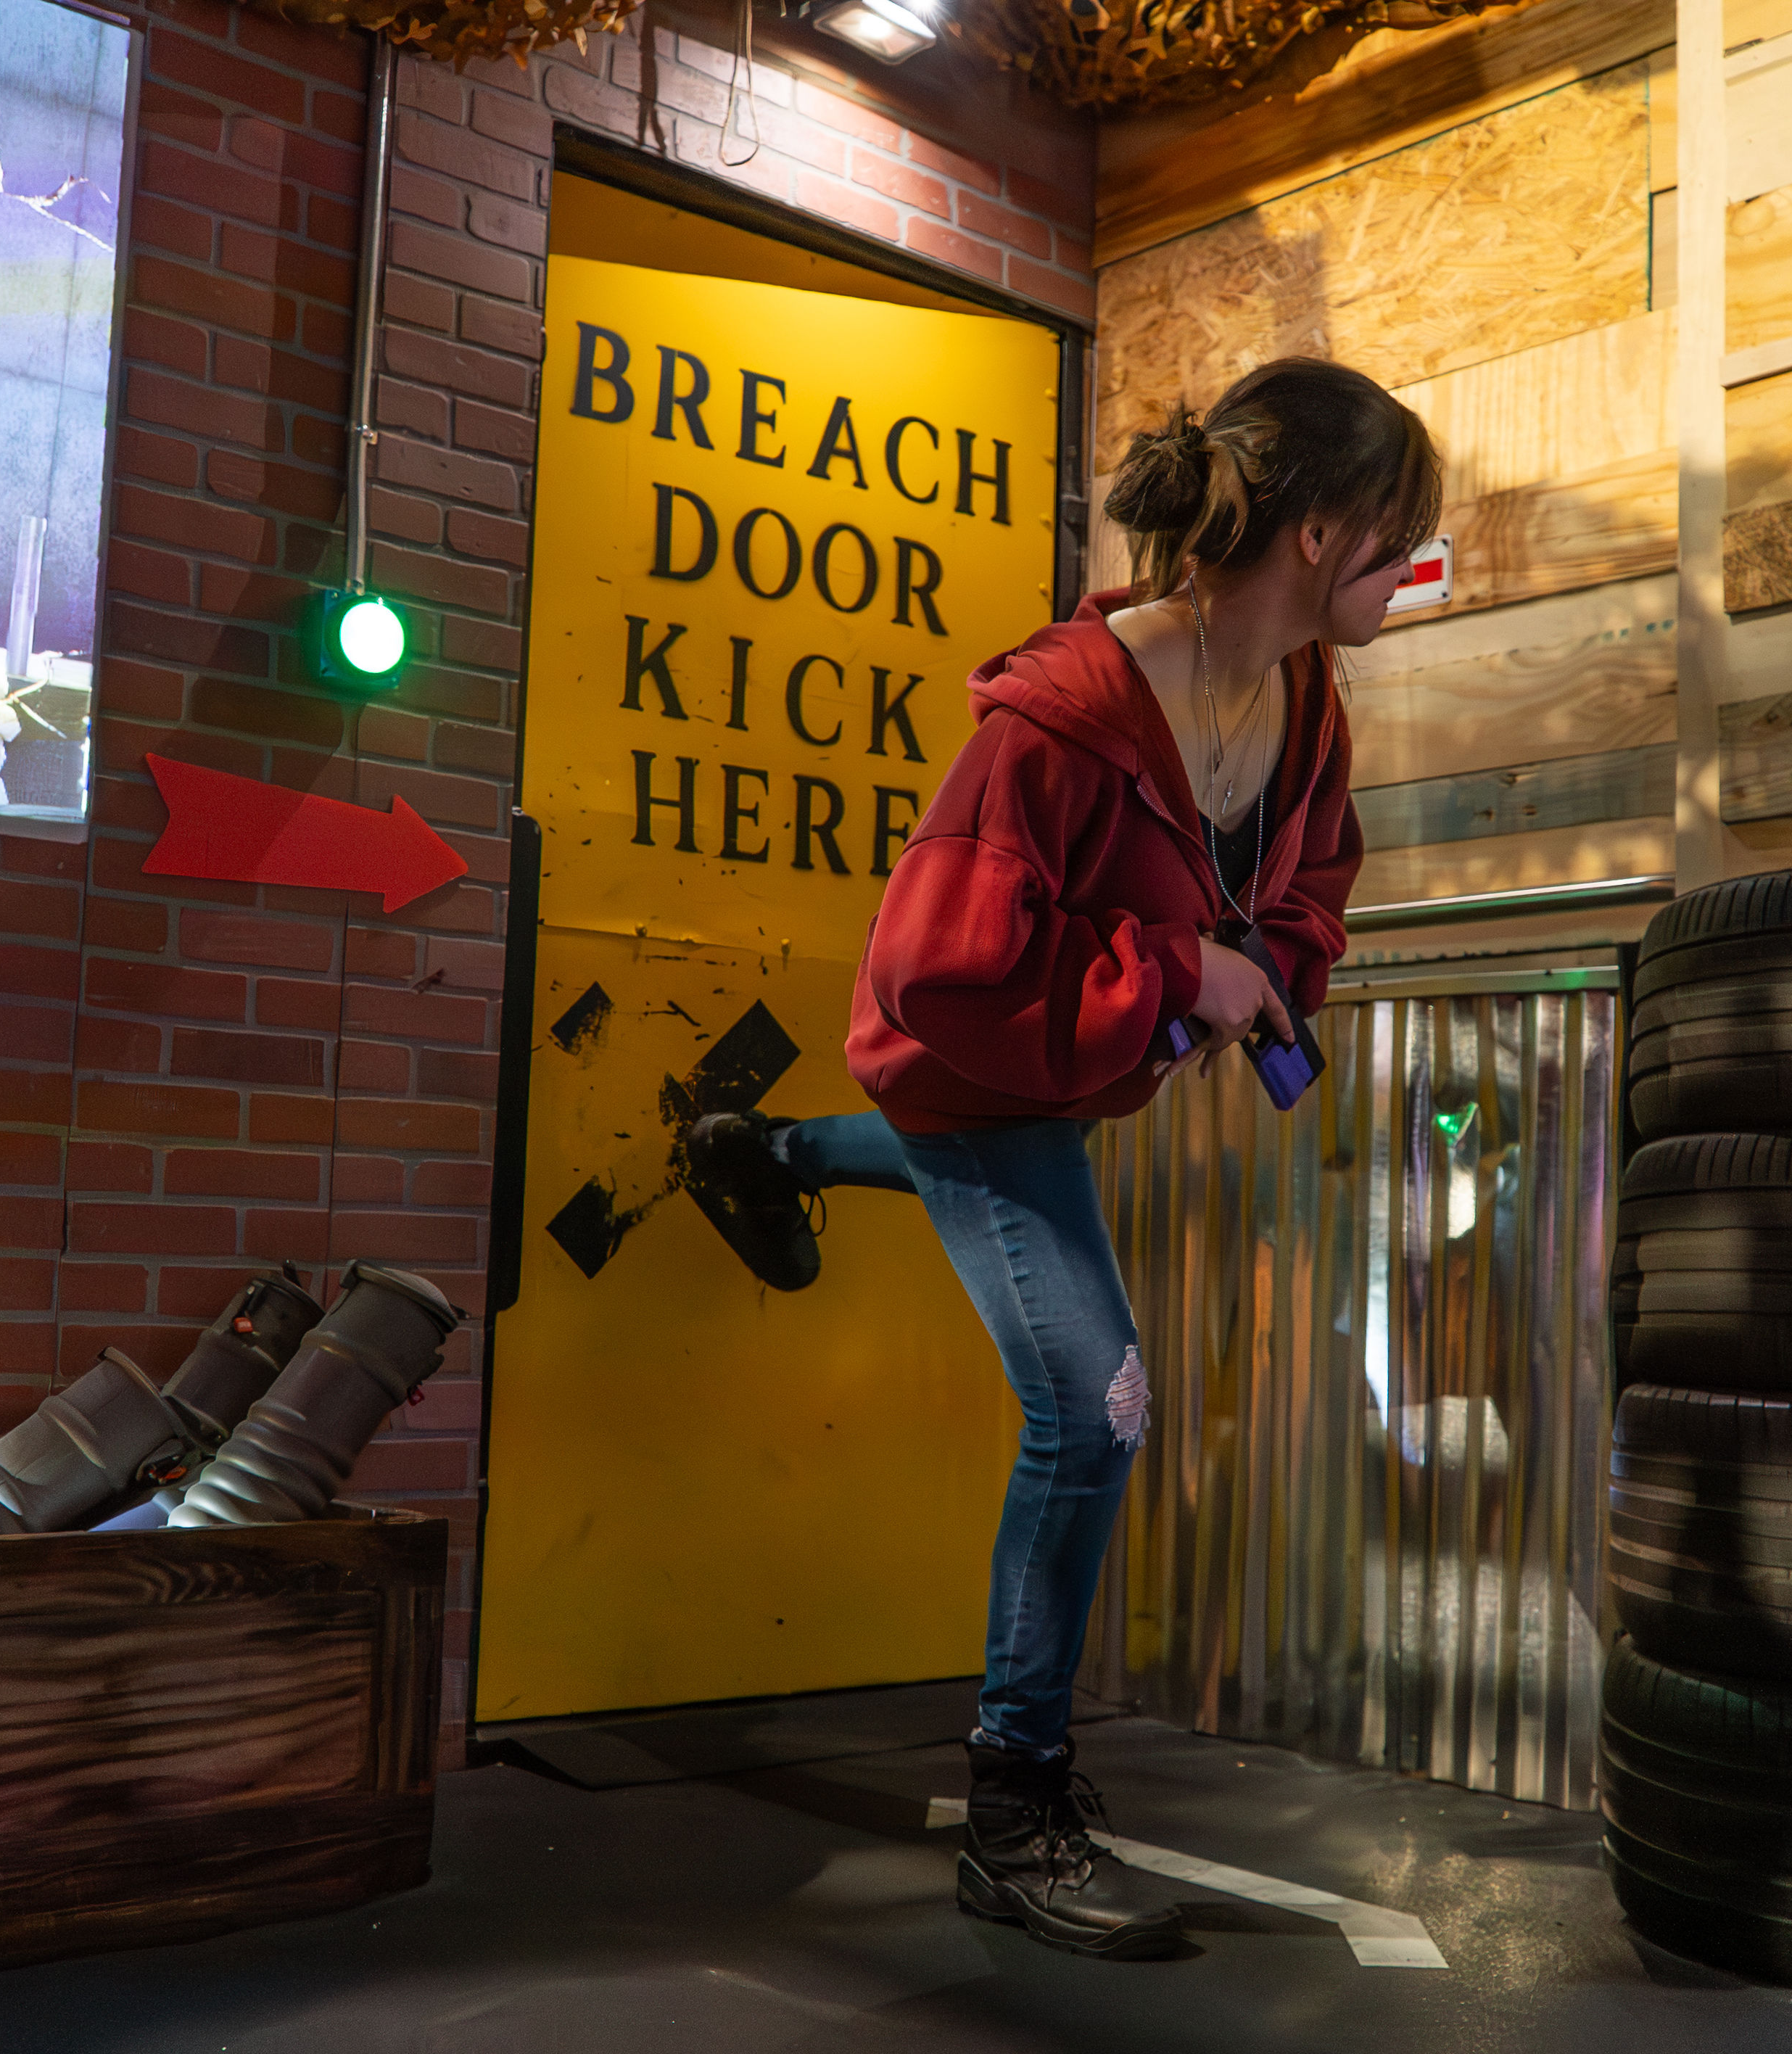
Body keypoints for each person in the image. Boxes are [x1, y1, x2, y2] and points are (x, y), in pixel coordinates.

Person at [687, 358, 1440, 1960]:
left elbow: (1308, 888)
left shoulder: (1304, 701)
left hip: (1071, 1068)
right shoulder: (1060, 723)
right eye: (1396, 540)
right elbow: (932, 971)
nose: (1410, 571)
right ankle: (1012, 1808)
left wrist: (1259, 966)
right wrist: (1176, 980)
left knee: (986, 1202)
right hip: (972, 1072)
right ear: (1317, 535)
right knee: (1096, 1408)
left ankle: (760, 1155)